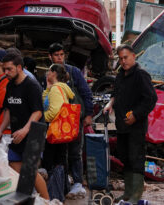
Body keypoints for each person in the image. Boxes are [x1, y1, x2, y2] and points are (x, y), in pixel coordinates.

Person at [103, 44, 157, 204]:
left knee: (136, 159)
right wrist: (110, 103)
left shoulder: (141, 75)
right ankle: (127, 193)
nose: (123, 61)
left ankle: (136, 194)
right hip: (122, 125)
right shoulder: (120, 75)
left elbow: (151, 99)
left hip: (136, 126)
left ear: (133, 56)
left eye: (125, 57)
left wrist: (136, 114)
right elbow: (115, 93)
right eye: (120, 58)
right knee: (125, 157)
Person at [0, 53, 49, 199]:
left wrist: (25, 130)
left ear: (19, 67)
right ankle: (29, 197)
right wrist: (0, 130)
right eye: (4, 69)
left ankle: (48, 201)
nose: (6, 73)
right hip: (16, 135)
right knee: (13, 165)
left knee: (30, 171)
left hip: (33, 135)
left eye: (9, 69)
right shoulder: (10, 85)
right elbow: (8, 110)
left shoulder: (32, 85)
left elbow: (37, 112)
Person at [48, 43, 93, 197]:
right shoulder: (49, 74)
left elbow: (86, 93)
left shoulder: (73, 72)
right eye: (56, 55)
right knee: (60, 153)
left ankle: (78, 183)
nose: (60, 58)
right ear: (50, 57)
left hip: (73, 119)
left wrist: (88, 114)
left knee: (75, 151)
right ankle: (64, 181)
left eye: (61, 54)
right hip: (56, 121)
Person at [42, 64, 75, 200]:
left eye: (48, 71)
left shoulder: (56, 89)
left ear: (54, 73)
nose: (46, 74)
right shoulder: (58, 88)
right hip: (61, 131)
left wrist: (42, 117)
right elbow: (45, 101)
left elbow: (55, 111)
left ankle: (54, 194)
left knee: (51, 162)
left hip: (53, 131)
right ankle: (58, 192)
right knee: (59, 160)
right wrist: (47, 88)